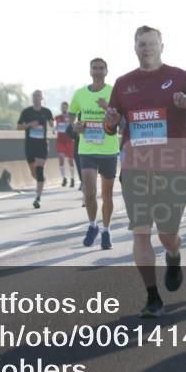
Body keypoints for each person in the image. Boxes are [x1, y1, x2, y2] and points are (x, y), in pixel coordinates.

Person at [104, 26, 186, 318]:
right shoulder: (124, 83)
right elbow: (110, 125)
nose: (146, 48)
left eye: (151, 43)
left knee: (167, 234)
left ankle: (174, 255)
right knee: (141, 233)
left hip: (172, 167)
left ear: (162, 46)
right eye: (141, 44)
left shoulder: (179, 77)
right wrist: (110, 120)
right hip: (135, 169)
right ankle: (152, 297)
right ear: (134, 47)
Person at [69, 57, 120, 250]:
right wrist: (75, 125)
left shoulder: (113, 92)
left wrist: (106, 108)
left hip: (108, 149)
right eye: (94, 68)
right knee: (89, 193)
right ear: (90, 71)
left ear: (106, 71)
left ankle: (106, 230)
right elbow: (72, 114)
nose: (98, 71)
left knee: (107, 195)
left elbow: (121, 118)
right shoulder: (80, 94)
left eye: (101, 68)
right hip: (87, 149)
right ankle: (93, 225)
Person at [17, 90, 54, 209]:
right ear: (32, 98)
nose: (36, 98)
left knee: (39, 170)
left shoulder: (46, 111)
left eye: (38, 96)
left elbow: (53, 123)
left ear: (42, 98)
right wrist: (29, 125)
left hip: (42, 145)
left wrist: (54, 125)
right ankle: (41, 182)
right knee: (33, 172)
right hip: (30, 145)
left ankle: (37, 198)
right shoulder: (26, 112)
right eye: (34, 96)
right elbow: (18, 127)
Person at [53, 101, 77, 188]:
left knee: (70, 161)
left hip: (70, 141)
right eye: (62, 107)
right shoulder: (57, 117)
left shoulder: (70, 117)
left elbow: (74, 125)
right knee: (61, 158)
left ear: (67, 108)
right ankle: (64, 178)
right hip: (60, 141)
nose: (63, 108)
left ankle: (72, 178)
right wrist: (54, 128)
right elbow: (55, 125)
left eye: (65, 107)